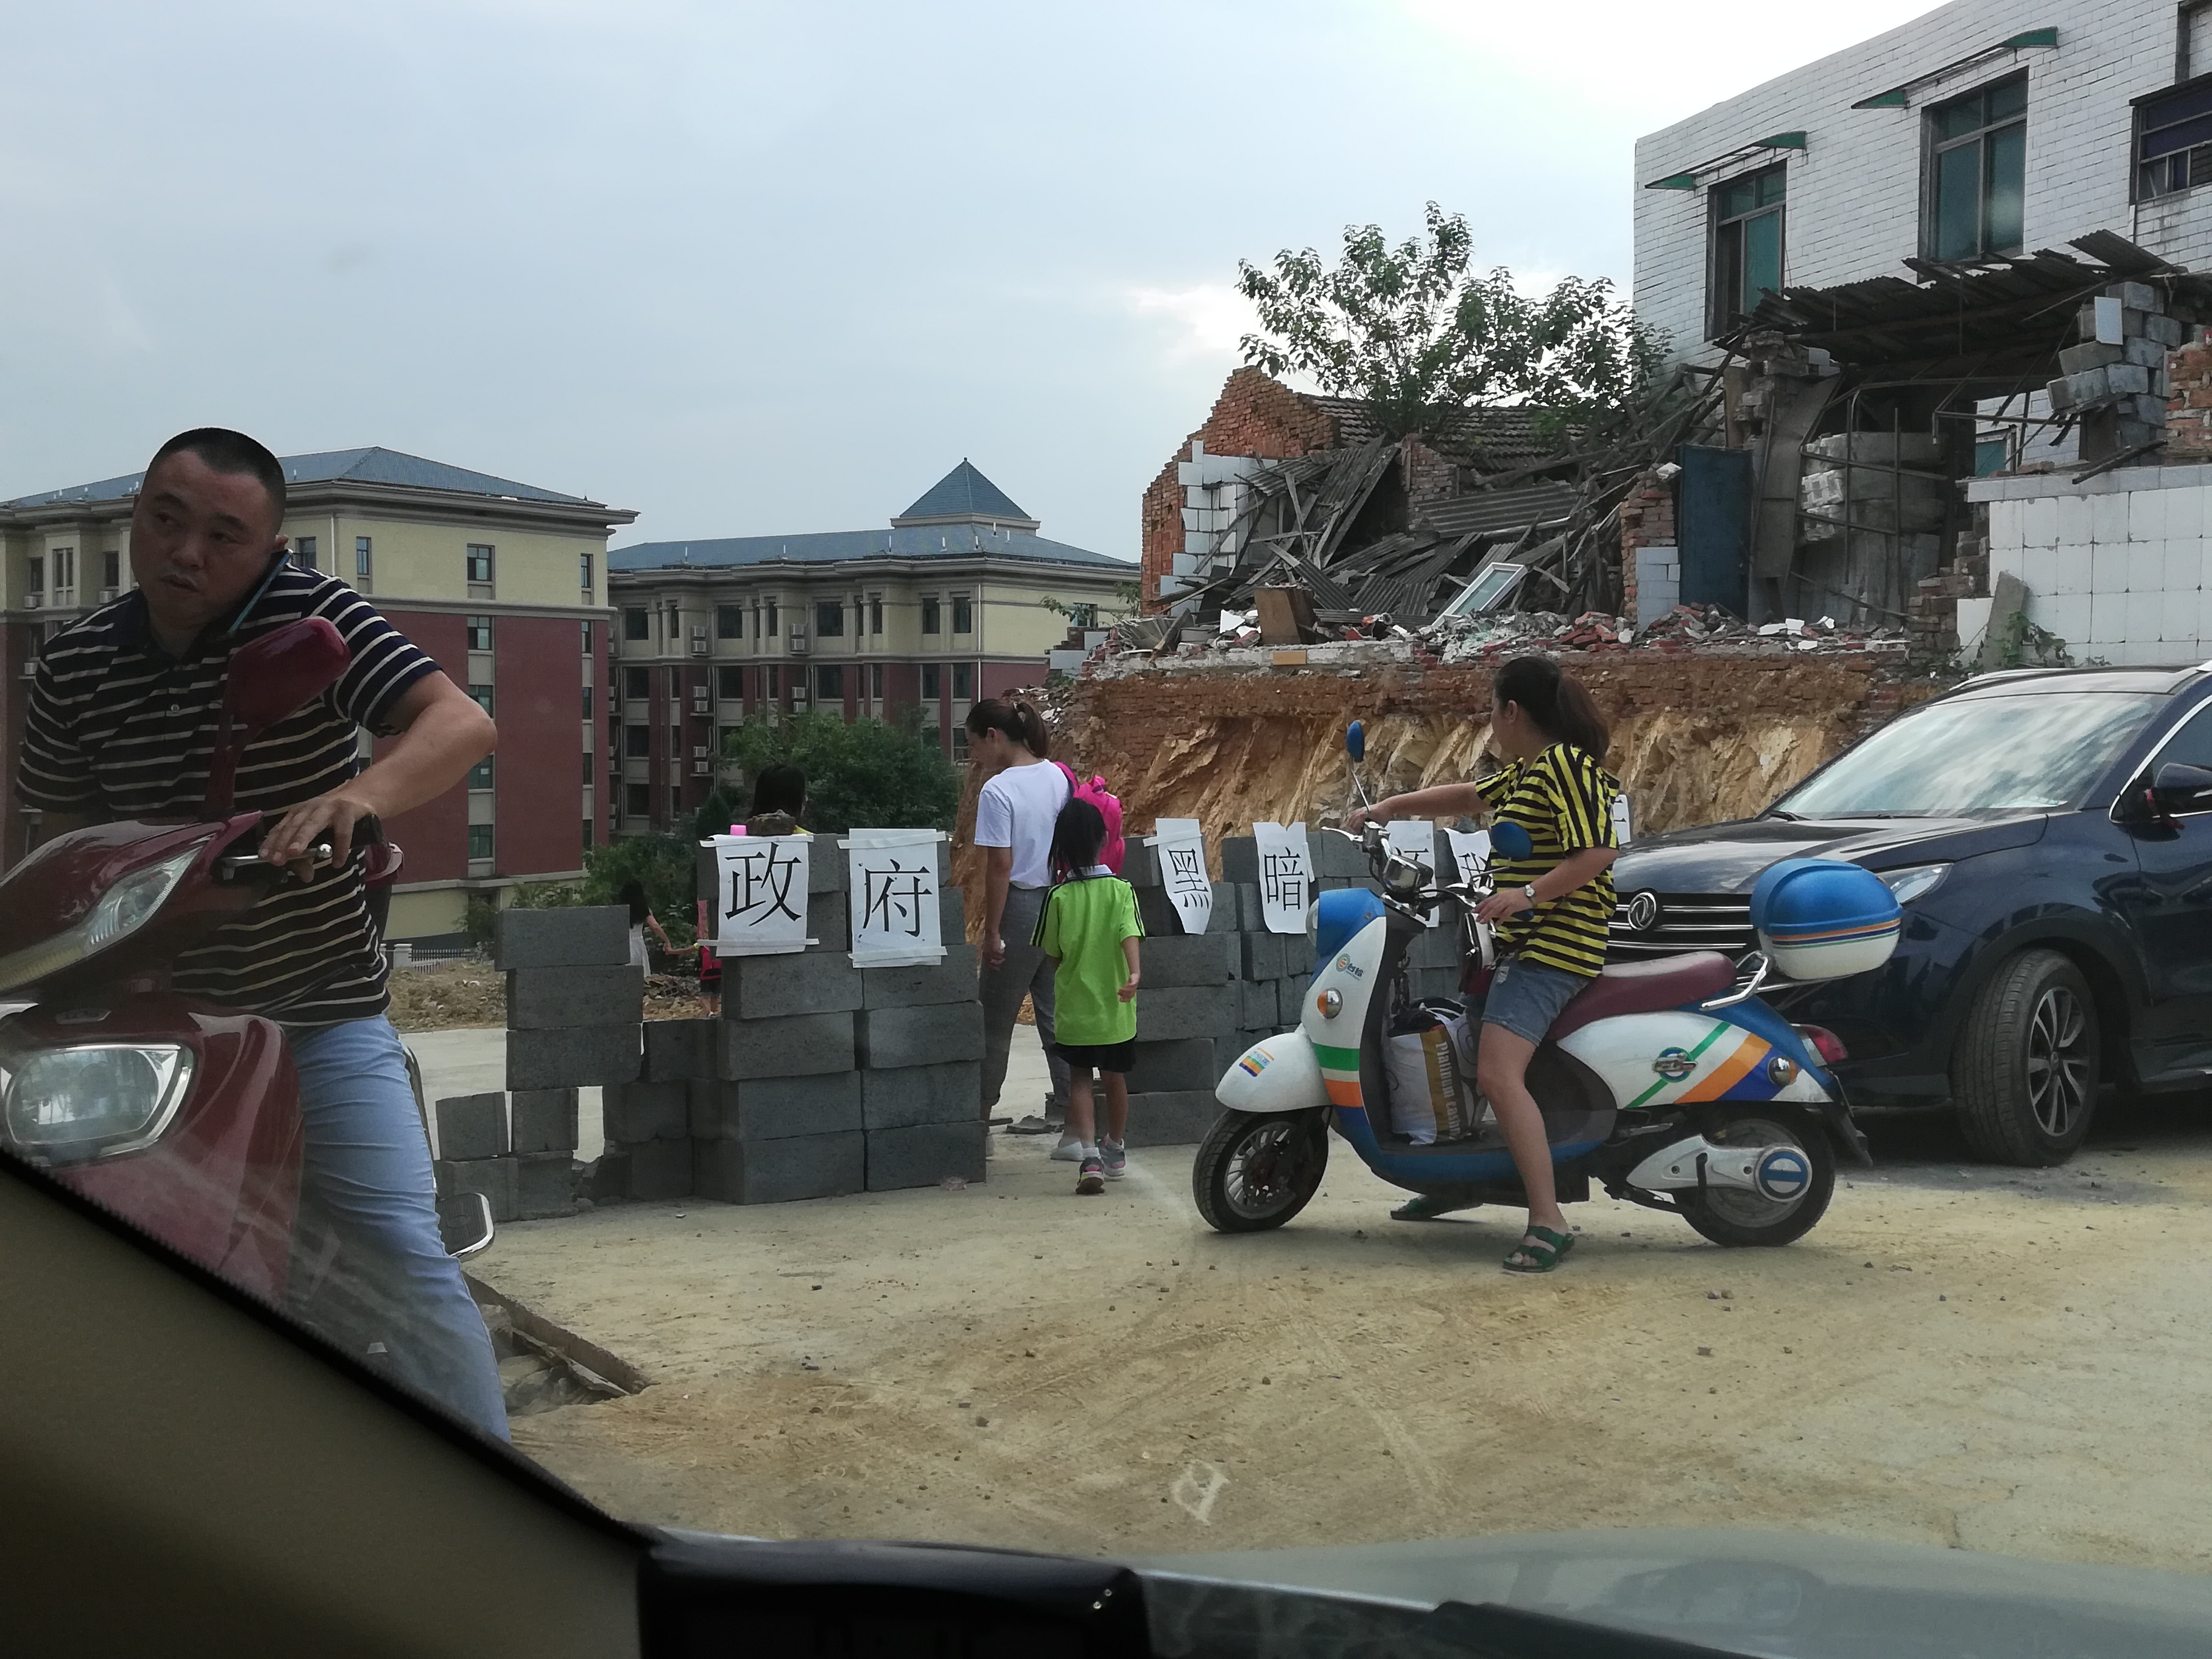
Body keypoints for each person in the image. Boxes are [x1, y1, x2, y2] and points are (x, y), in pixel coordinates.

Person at [18, 427, 510, 1433]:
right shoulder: (74, 664)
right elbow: (58, 849)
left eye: (223, 535)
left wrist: (358, 798)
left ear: (272, 549)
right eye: (165, 520)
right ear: (135, 516)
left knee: (399, 1254)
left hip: (317, 1013)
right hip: (147, 1027)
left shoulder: (310, 617)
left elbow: (461, 723)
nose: (185, 553)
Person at [1347, 655, 1621, 1274]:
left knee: (1497, 1075)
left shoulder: (1566, 767)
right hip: (1516, 942)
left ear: (1512, 711)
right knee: (1468, 1052)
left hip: (1556, 945)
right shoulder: (1527, 772)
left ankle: (1548, 1220)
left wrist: (1527, 895)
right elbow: (1470, 796)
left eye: (1492, 711)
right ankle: (1460, 1181)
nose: (1490, 722)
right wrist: (1389, 808)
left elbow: (1599, 851)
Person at [966, 698, 1075, 1151]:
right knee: (1057, 1017)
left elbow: (1000, 867)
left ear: (994, 737)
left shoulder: (998, 790)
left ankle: (978, 1124)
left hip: (1022, 907)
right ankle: (1077, 1126)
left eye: (974, 745)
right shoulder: (1059, 777)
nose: (974, 756)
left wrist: (993, 933)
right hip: (1060, 904)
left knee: (994, 1020)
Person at [1034, 798, 1143, 1194]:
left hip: (1074, 1009)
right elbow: (1129, 933)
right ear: (1104, 840)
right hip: (1116, 1008)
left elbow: (1052, 954)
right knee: (1115, 1078)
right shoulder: (1121, 891)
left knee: (1080, 1078)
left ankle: (1090, 1158)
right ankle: (1115, 1146)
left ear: (1061, 846)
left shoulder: (1058, 898)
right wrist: (1134, 974)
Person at [619, 878, 675, 971]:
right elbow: (655, 926)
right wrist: (667, 941)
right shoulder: (643, 910)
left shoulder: (619, 910)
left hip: (622, 945)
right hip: (637, 944)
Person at [745, 762, 808, 838]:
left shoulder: (738, 838)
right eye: (803, 794)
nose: (806, 799)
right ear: (794, 801)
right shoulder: (810, 841)